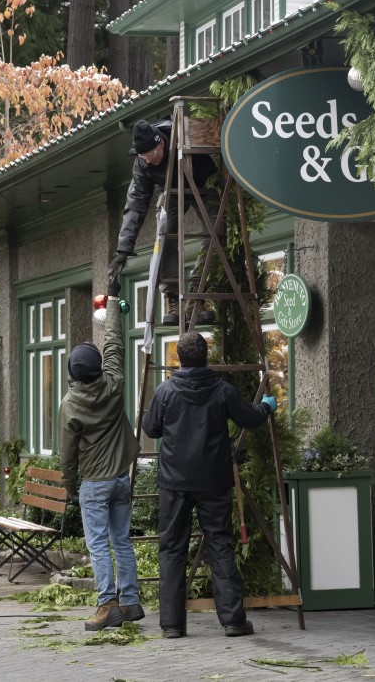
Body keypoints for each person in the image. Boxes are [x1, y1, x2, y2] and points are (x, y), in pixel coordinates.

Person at [141, 332, 278, 638]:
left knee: (172, 549)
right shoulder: (222, 390)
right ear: (206, 356)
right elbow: (250, 418)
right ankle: (232, 620)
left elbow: (150, 428)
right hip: (214, 481)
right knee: (219, 545)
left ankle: (172, 625)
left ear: (180, 358)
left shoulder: (165, 391)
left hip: (174, 483)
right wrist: (267, 406)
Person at [58, 276, 144, 631]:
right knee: (121, 540)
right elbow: (113, 344)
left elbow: (67, 455)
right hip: (120, 479)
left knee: (97, 545)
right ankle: (132, 601)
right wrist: (112, 305)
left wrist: (68, 485)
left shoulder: (70, 405)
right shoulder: (113, 383)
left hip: (94, 484)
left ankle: (107, 604)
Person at [107, 117, 218, 324]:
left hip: (204, 183)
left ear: (161, 143)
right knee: (166, 234)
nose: (148, 161)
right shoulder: (142, 163)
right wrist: (124, 249)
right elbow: (135, 203)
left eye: (151, 155)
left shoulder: (181, 135)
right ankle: (174, 297)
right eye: (143, 158)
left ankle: (198, 293)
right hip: (171, 190)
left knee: (217, 232)